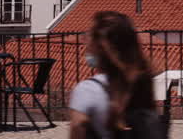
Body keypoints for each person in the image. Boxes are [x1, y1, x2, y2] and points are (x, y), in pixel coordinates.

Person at [68, 11, 159, 139]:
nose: (84, 41)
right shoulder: (142, 81)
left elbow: (77, 130)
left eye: (88, 37)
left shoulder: (87, 90)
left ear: (98, 47)